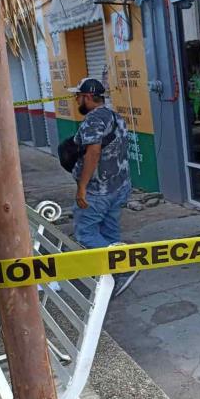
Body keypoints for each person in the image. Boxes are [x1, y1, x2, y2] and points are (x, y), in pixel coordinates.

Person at [67, 77, 138, 296]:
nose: (76, 99)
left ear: (88, 97)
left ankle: (123, 270)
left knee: (86, 234)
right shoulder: (116, 117)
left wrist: (82, 187)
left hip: (98, 191)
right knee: (109, 231)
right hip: (119, 186)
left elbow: (94, 152)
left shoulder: (93, 120)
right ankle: (114, 273)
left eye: (78, 96)